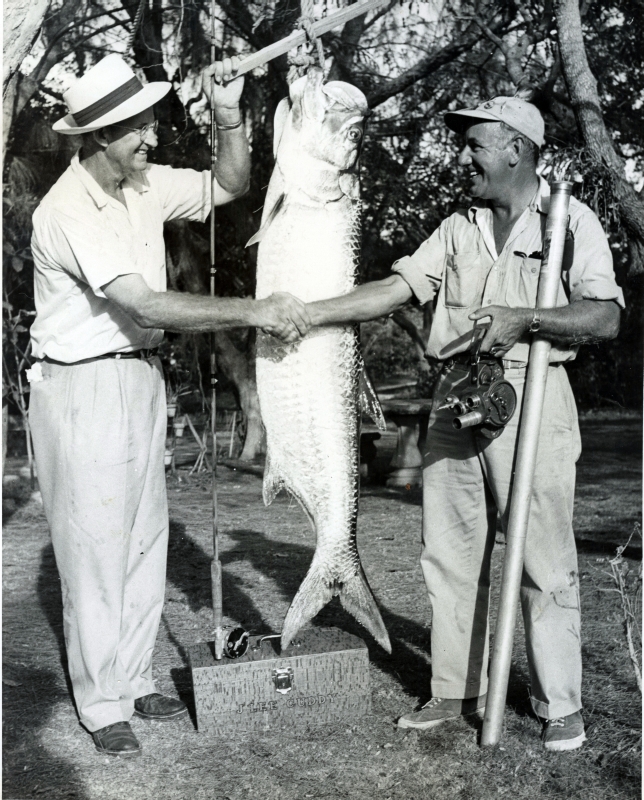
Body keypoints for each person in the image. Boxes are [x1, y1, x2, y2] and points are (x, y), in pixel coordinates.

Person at [305, 96, 624, 751]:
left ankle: (559, 702)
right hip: (455, 399)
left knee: (543, 558)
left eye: (474, 145)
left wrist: (527, 319)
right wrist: (309, 312)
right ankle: (455, 687)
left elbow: (605, 315)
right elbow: (397, 290)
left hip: (532, 394)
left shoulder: (569, 221)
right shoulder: (457, 226)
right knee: (448, 555)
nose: (463, 158)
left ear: (516, 148)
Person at [28, 53, 310, 758]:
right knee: (95, 548)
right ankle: (100, 705)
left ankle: (133, 677)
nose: (151, 136)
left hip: (139, 378)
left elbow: (230, 183)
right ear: (96, 135)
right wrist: (255, 310)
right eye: (136, 127)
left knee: (144, 540)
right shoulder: (64, 209)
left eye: (148, 121)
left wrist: (228, 111)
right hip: (80, 384)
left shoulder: (143, 182)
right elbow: (146, 303)